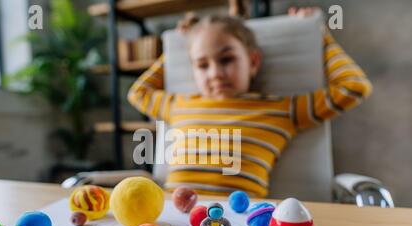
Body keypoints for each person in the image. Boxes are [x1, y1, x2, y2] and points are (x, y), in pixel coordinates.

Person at [127, 7, 372, 198]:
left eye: (226, 59)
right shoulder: (178, 104)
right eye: (202, 65)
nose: (215, 73)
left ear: (253, 62)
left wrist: (321, 39)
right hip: (175, 222)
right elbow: (138, 92)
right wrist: (174, 52)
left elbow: (353, 87)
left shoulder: (282, 110)